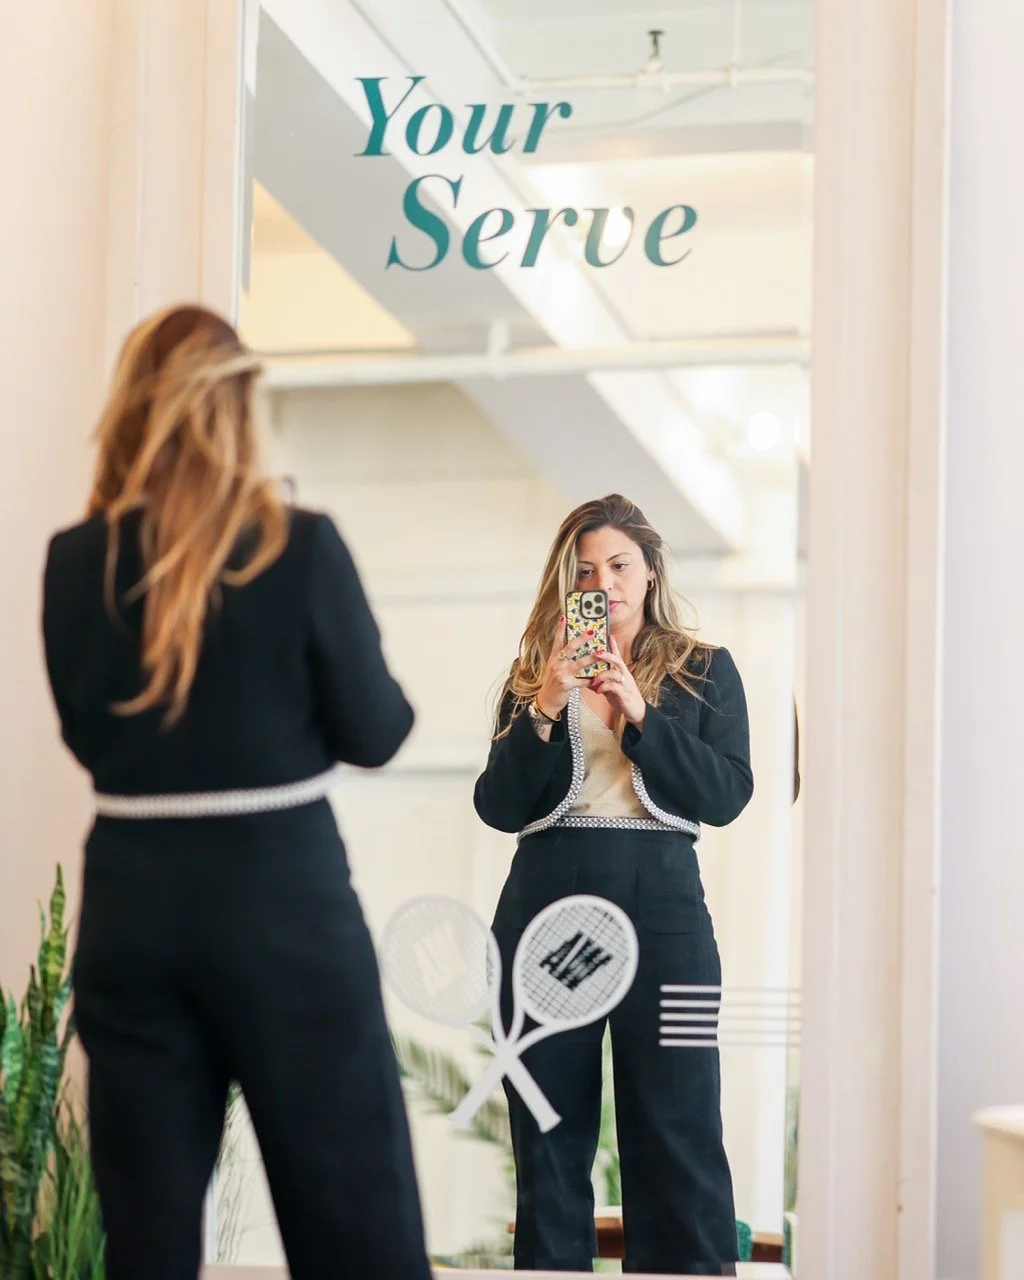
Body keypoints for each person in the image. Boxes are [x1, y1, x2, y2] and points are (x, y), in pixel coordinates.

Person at [41, 304, 432, 1280]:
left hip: (132, 904)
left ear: (130, 412)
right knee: (354, 1219)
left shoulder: (75, 561)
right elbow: (376, 732)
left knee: (148, 1237)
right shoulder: (297, 545)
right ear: (243, 407)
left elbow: (91, 741)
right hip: (282, 905)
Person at [475, 494, 754, 1276]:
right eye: (586, 570)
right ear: (568, 586)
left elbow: (729, 794)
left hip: (669, 913)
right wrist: (543, 708)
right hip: (548, 909)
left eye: (620, 565)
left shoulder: (706, 670)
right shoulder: (532, 678)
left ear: (651, 569)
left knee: (683, 1128)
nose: (606, 582)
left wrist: (639, 716)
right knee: (549, 1136)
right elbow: (497, 807)